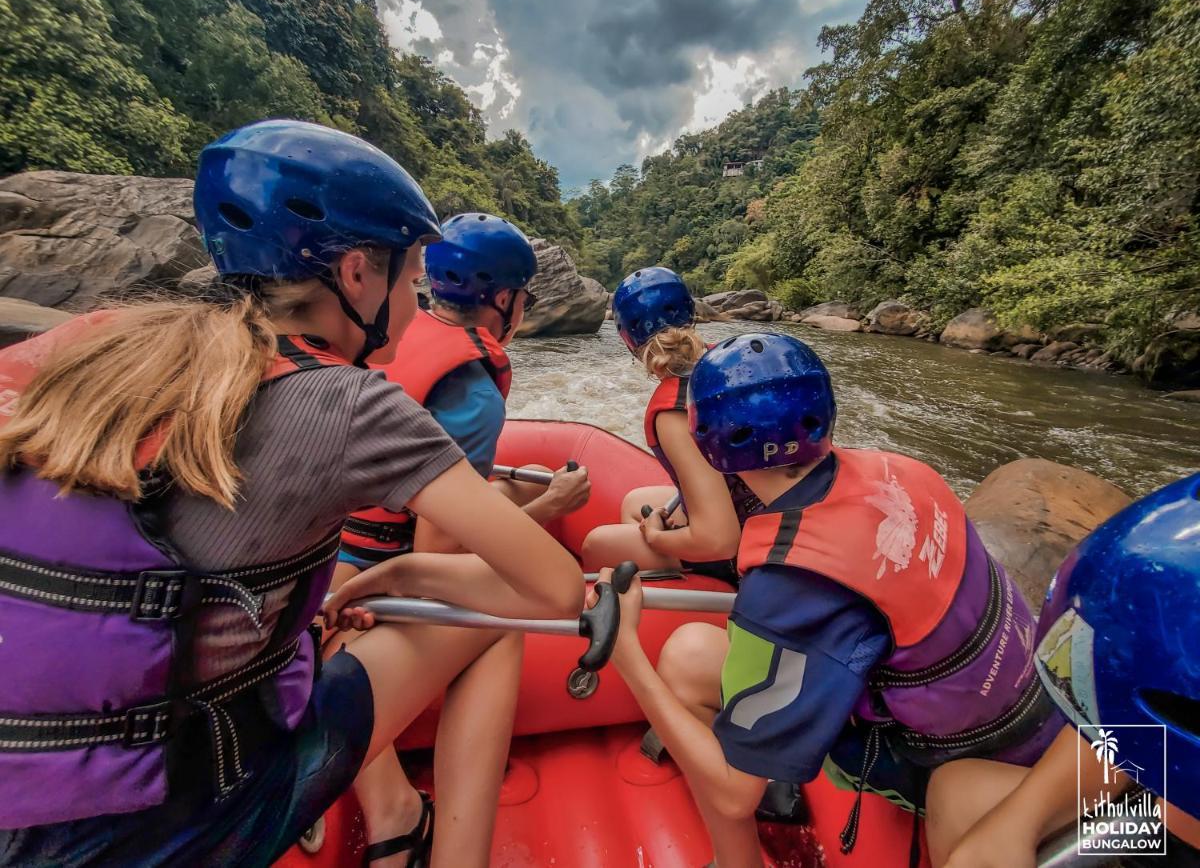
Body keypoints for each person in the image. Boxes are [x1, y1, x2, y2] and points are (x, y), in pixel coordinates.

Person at [0, 119, 581, 868]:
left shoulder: (100, 342)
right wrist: (396, 575)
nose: (415, 308)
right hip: (172, 823)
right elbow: (557, 587)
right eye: (410, 283)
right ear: (359, 273)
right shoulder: (353, 405)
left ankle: (393, 811)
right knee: (490, 623)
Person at [598, 332, 1061, 868]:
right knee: (700, 654)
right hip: (1036, 707)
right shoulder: (902, 468)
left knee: (681, 663)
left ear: (709, 444)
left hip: (949, 754)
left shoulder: (791, 577)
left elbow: (734, 793)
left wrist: (627, 653)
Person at [930, 473, 1200, 868]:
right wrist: (1018, 822)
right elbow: (1128, 725)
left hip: (1162, 833)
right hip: (1149, 828)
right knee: (957, 793)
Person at [339, 212, 590, 569]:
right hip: (379, 559)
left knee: (534, 476)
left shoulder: (391, 334)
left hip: (335, 532)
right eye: (525, 300)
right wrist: (553, 506)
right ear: (504, 299)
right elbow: (436, 556)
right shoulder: (475, 396)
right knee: (512, 610)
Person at [581, 267, 754, 584]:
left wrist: (657, 538)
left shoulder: (674, 410)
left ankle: (661, 609)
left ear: (628, 339)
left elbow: (720, 538)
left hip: (746, 548)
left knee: (597, 544)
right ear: (691, 313)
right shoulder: (727, 360)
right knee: (636, 502)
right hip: (759, 511)